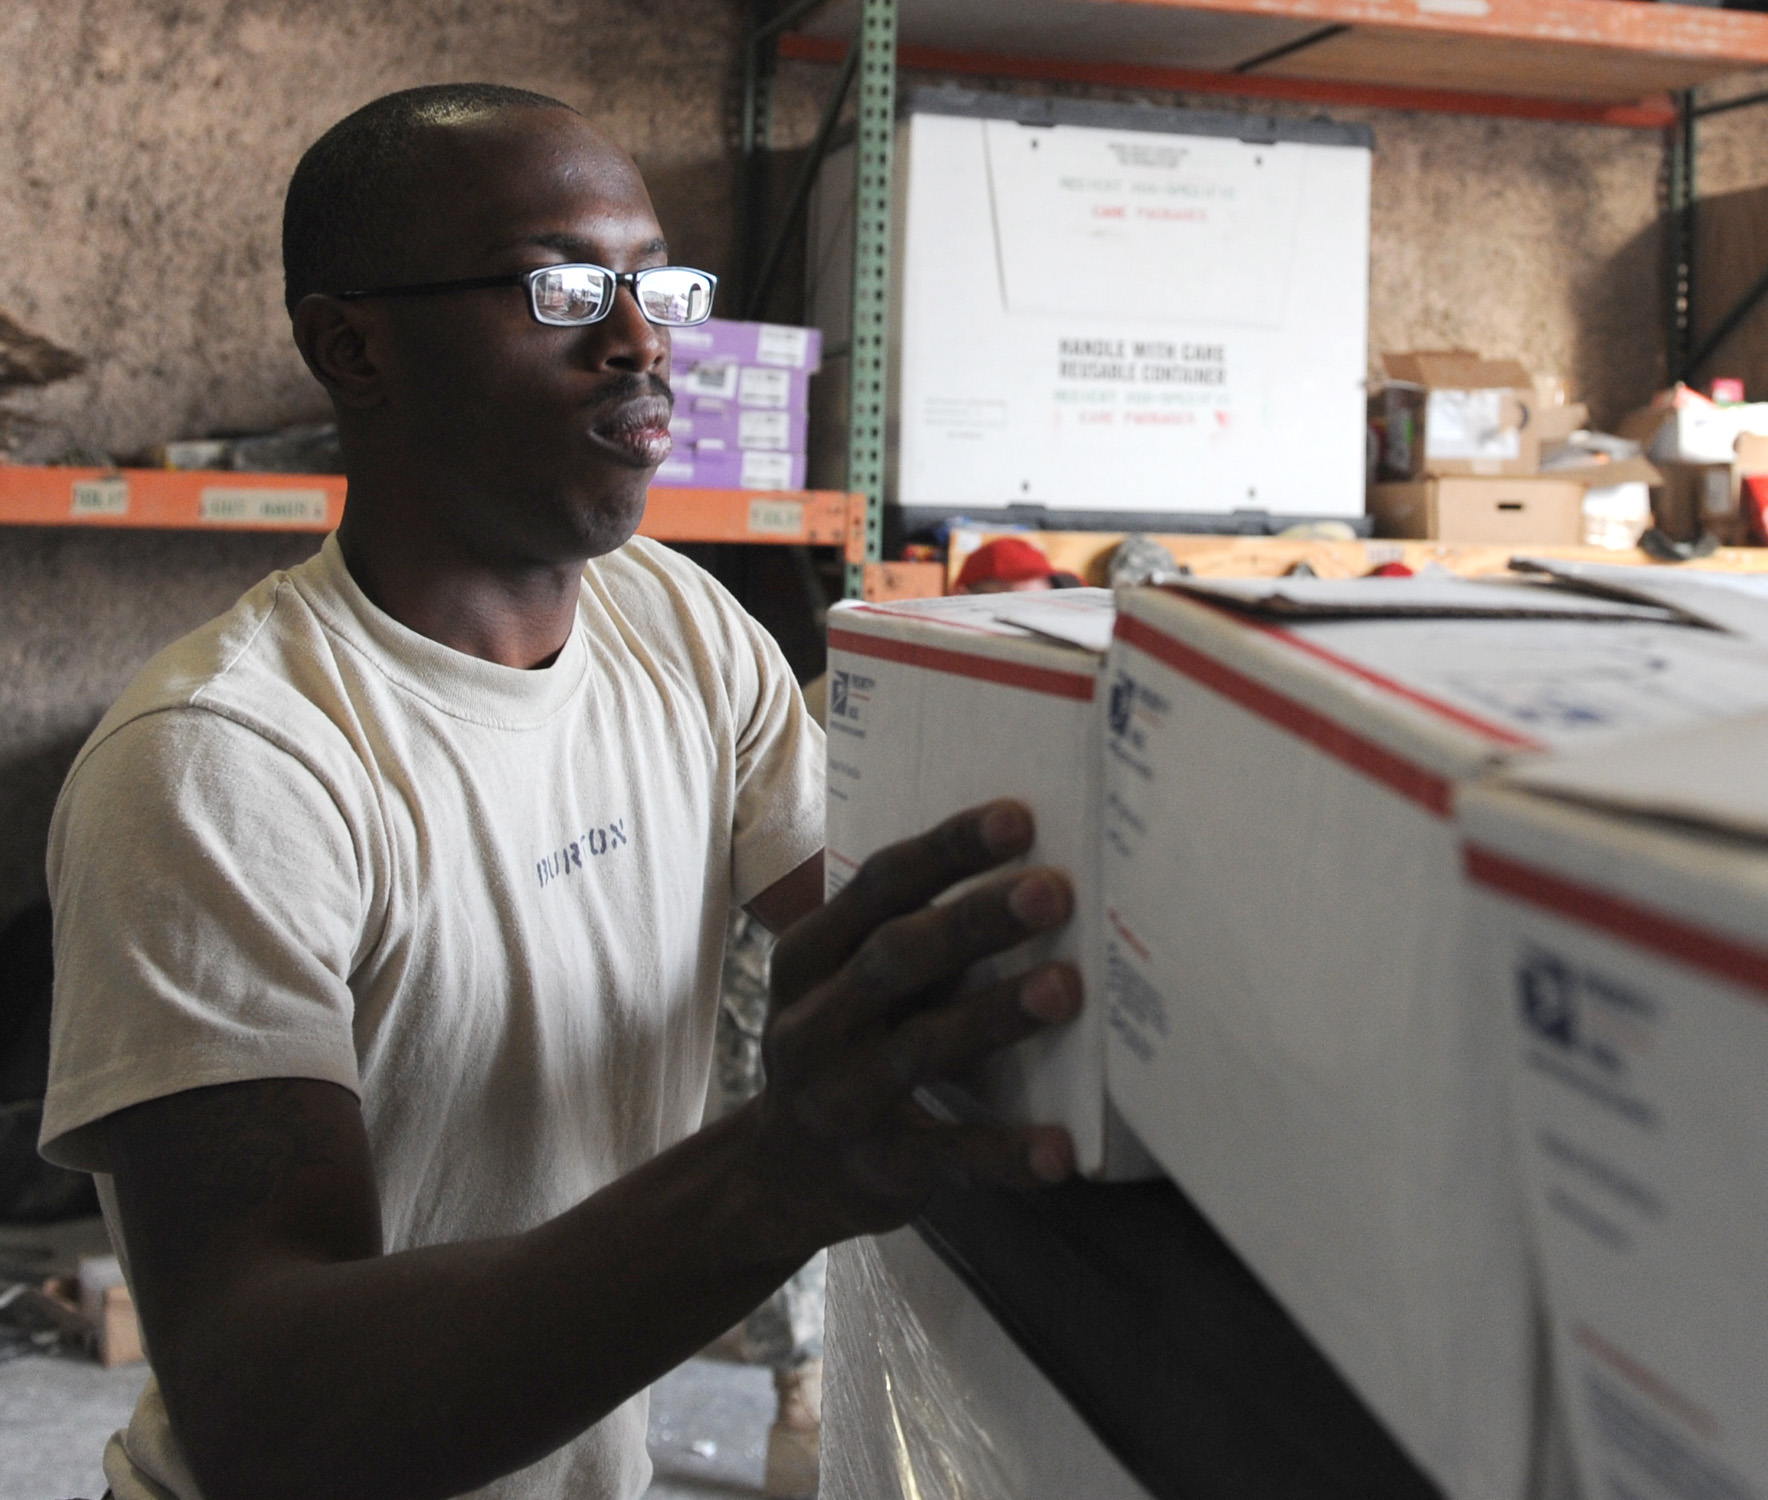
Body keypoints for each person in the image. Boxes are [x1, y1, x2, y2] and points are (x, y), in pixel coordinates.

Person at [39, 84, 1082, 1500]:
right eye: (563, 286)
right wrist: (769, 1180)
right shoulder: (227, 761)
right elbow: (265, 1405)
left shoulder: (677, 626)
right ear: (353, 346)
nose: (642, 340)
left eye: (657, 284)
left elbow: (871, 924)